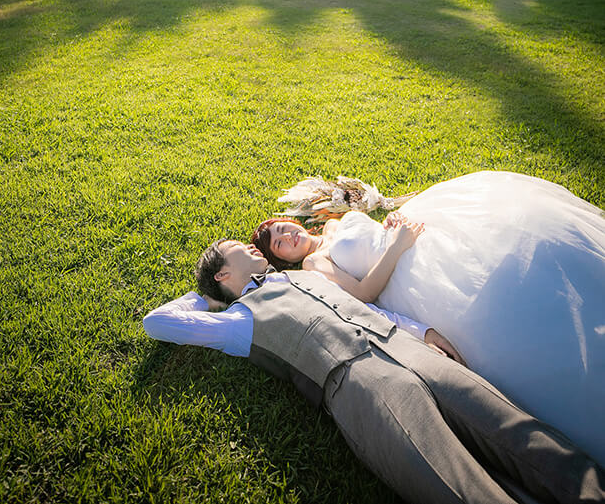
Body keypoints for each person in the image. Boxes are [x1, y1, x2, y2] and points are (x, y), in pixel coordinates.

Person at [143, 237, 605, 504]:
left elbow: (363, 303)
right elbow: (158, 323)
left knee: (514, 429)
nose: (248, 244)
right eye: (234, 248)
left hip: (407, 349)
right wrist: (207, 300)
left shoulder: (302, 274)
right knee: (454, 483)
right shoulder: (238, 322)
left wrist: (423, 332)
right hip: (360, 385)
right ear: (223, 274)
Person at [252, 171, 605, 466]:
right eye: (280, 244)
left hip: (420, 243)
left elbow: (370, 235)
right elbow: (363, 294)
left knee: (510, 238)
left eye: (282, 228)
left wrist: (392, 226)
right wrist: (397, 245)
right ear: (284, 260)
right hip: (409, 277)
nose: (287, 236)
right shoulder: (315, 264)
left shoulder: (334, 225)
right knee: (498, 313)